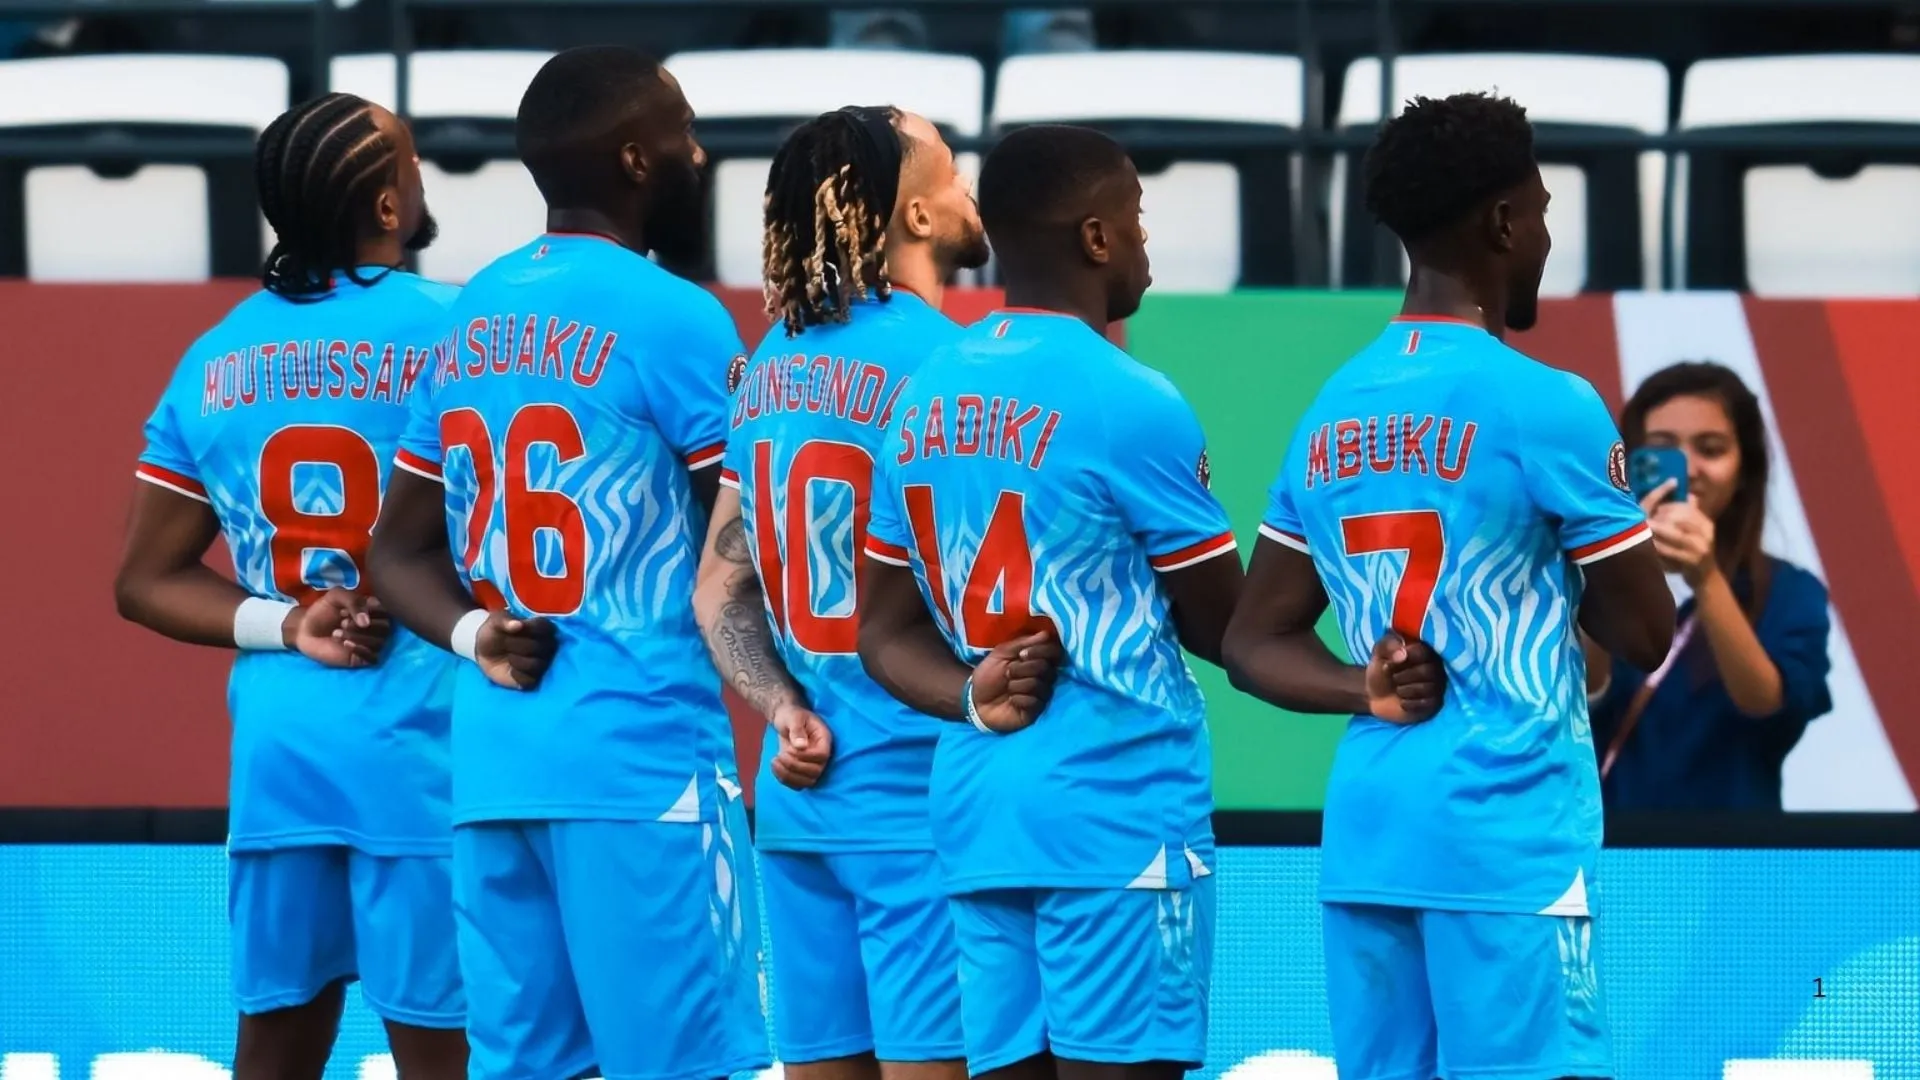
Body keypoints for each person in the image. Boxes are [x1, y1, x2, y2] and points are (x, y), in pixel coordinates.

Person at [1219, 92, 1676, 1080]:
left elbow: (1254, 644)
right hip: (1504, 844)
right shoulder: (1546, 403)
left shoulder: (1331, 408)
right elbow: (1646, 630)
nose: (1548, 237)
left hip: (1370, 842)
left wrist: (1365, 687)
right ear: (1504, 223)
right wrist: (1578, 550)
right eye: (1544, 211)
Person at [364, 46, 767, 1080]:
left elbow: (395, 550)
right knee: (680, 1067)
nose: (699, 149)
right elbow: (735, 549)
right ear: (636, 159)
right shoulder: (676, 315)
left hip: (497, 765)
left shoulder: (474, 313)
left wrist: (471, 632)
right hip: (642, 767)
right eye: (681, 129)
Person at [113, 92, 467, 1080]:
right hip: (424, 743)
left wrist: (286, 621)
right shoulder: (459, 332)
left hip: (283, 753)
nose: (420, 172)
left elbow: (144, 580)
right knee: (446, 1049)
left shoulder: (213, 358)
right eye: (408, 157)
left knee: (274, 1046)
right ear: (388, 206)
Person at [691, 104, 990, 1080]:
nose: (967, 191)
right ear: (912, 220)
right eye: (948, 175)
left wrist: (783, 709)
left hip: (804, 804)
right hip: (926, 809)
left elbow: (719, 593)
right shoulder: (953, 366)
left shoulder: (772, 365)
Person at [1588, 361, 1834, 809]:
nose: (1688, 469)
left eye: (1711, 449)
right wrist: (1612, 563)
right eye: (1662, 449)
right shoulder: (1592, 574)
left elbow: (1769, 709)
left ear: (1744, 470)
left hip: (1730, 859)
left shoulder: (1790, 592)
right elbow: (1584, 691)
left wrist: (1705, 577)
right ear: (1628, 462)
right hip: (1610, 855)